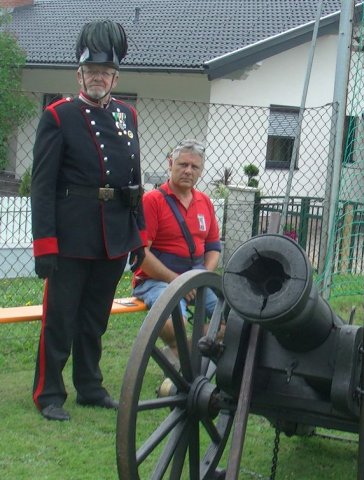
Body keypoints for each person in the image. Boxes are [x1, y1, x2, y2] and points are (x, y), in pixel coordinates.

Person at [31, 20, 147, 421]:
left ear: (115, 76)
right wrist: (44, 244)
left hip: (113, 235)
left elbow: (135, 180)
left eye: (106, 71)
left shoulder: (126, 115)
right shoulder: (58, 116)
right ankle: (48, 394)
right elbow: (42, 187)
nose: (98, 77)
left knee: (95, 320)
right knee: (60, 319)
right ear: (79, 74)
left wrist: (139, 236)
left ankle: (90, 387)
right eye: (91, 71)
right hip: (71, 236)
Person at [132, 139, 221, 356]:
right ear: (170, 163)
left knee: (235, 321)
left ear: (201, 171)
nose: (188, 171)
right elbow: (142, 254)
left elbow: (213, 248)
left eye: (195, 167)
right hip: (156, 280)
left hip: (195, 278)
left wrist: (203, 277)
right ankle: (183, 349)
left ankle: (184, 350)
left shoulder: (205, 202)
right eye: (183, 165)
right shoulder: (152, 201)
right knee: (173, 327)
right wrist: (177, 281)